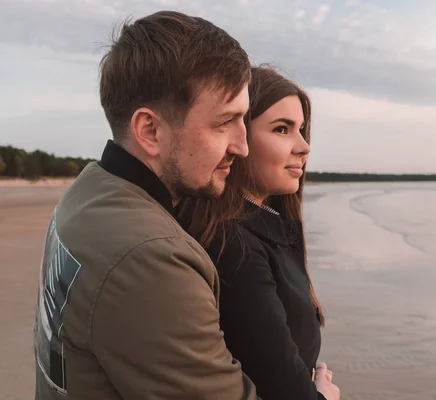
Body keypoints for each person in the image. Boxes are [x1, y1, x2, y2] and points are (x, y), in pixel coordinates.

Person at [33, 11, 260, 399]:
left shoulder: (89, 190)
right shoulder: (151, 258)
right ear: (150, 130)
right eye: (224, 123)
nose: (242, 145)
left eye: (244, 119)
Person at [178, 65, 340, 400]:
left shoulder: (267, 226)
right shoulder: (236, 247)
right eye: (282, 129)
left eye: (302, 130)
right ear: (236, 138)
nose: (304, 146)